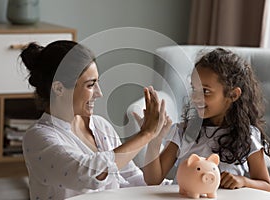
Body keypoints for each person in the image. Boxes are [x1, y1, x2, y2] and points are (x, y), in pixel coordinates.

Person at [19, 40, 168, 199]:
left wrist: (179, 185)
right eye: (90, 85)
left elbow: (132, 180)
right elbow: (88, 175)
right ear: (59, 88)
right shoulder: (38, 138)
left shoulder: (100, 126)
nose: (99, 93)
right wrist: (145, 135)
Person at [140, 48, 270, 192]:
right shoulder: (183, 131)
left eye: (205, 91)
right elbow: (153, 180)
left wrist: (243, 181)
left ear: (233, 95)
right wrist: (154, 140)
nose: (195, 97)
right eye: (194, 89)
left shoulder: (247, 136)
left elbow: (266, 186)